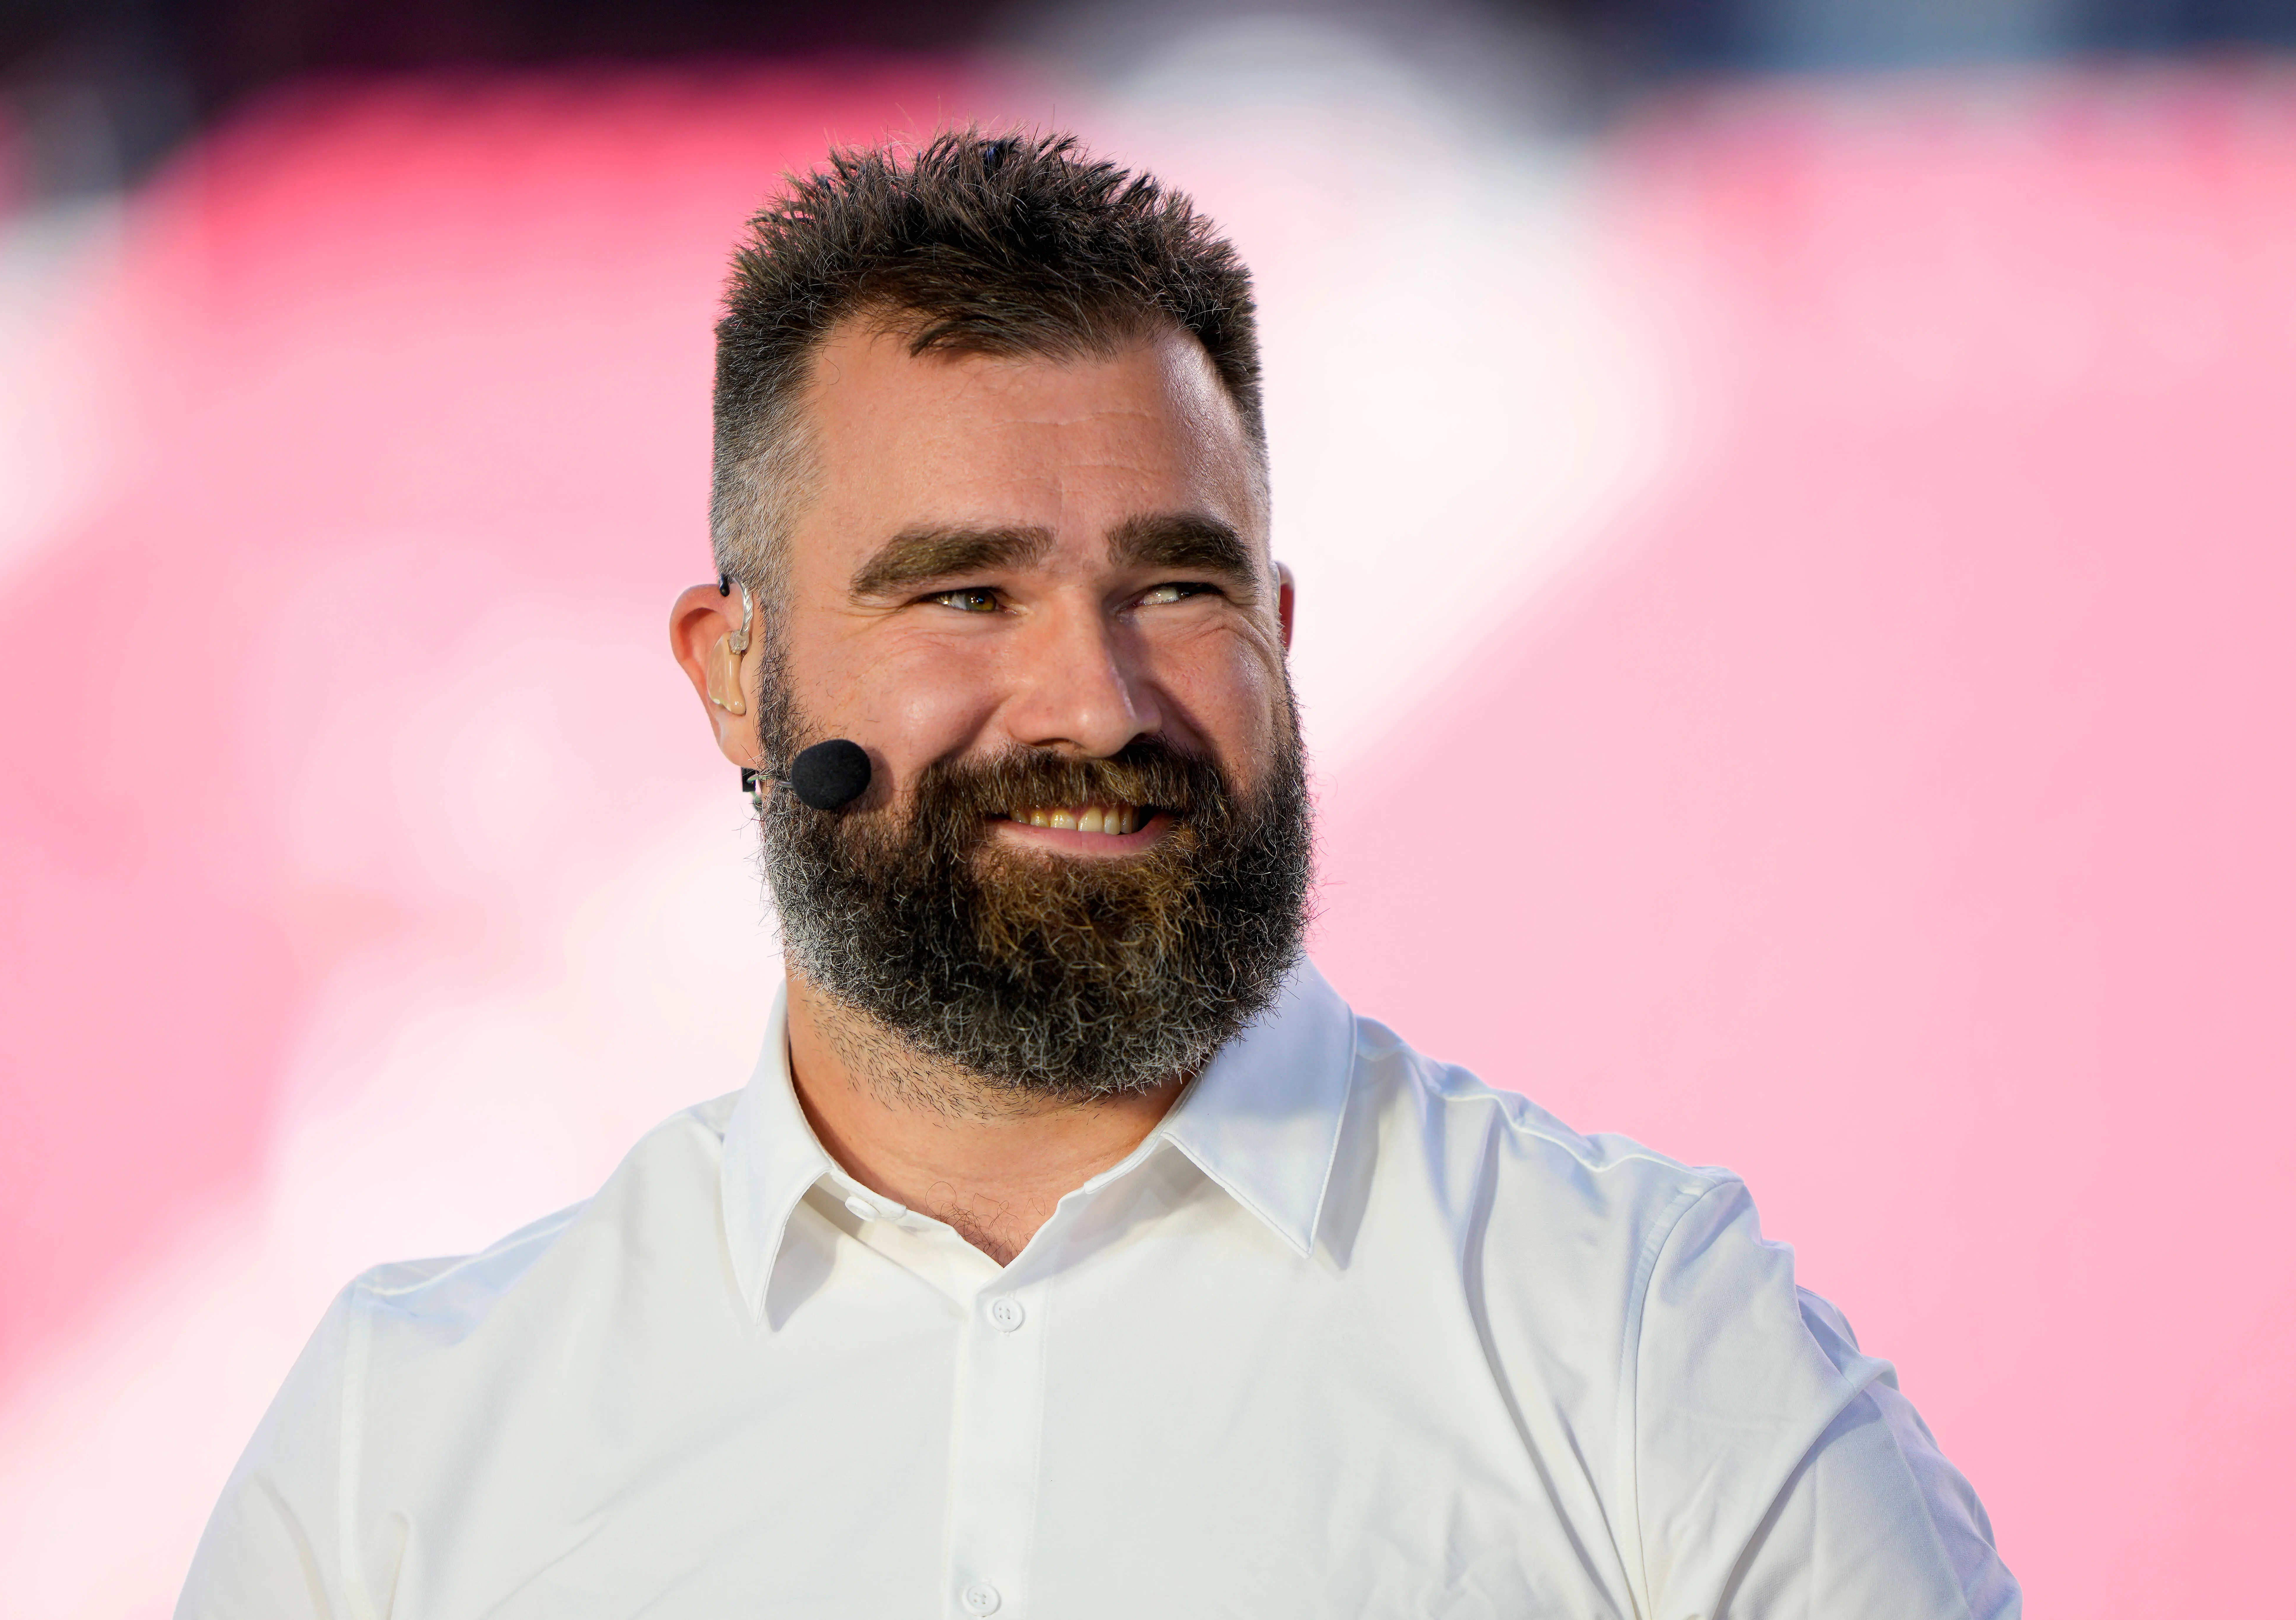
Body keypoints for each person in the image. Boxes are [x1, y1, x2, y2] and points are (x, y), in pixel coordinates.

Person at [179, 130, 2020, 1618]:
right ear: (737, 677)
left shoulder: (1647, 1348)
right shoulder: (402, 1447)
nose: (1096, 699)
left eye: (1177, 586)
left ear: (1279, 633)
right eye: (965, 591)